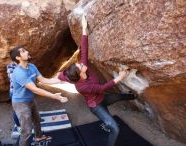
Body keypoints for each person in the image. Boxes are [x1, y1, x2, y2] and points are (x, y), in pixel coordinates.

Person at [58, 15, 137, 146]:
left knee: (120, 96)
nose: (82, 64)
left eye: (80, 64)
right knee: (115, 129)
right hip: (97, 106)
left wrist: (84, 29)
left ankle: (134, 96)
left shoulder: (82, 70)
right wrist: (120, 77)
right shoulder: (82, 87)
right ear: (79, 74)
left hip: (102, 98)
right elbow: (102, 88)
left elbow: (84, 51)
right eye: (80, 66)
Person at [10, 46, 68, 146]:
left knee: (37, 120)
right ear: (18, 58)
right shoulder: (18, 73)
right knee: (27, 131)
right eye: (23, 51)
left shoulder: (32, 66)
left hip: (30, 99)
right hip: (20, 103)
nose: (27, 51)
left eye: (26, 49)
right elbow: (35, 89)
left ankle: (39, 137)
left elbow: (44, 80)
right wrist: (54, 96)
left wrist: (62, 79)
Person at [7, 62, 21, 138]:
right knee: (16, 111)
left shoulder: (25, 64)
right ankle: (19, 127)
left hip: (25, 92)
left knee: (29, 106)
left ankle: (29, 121)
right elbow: (13, 78)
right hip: (15, 92)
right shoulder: (11, 65)